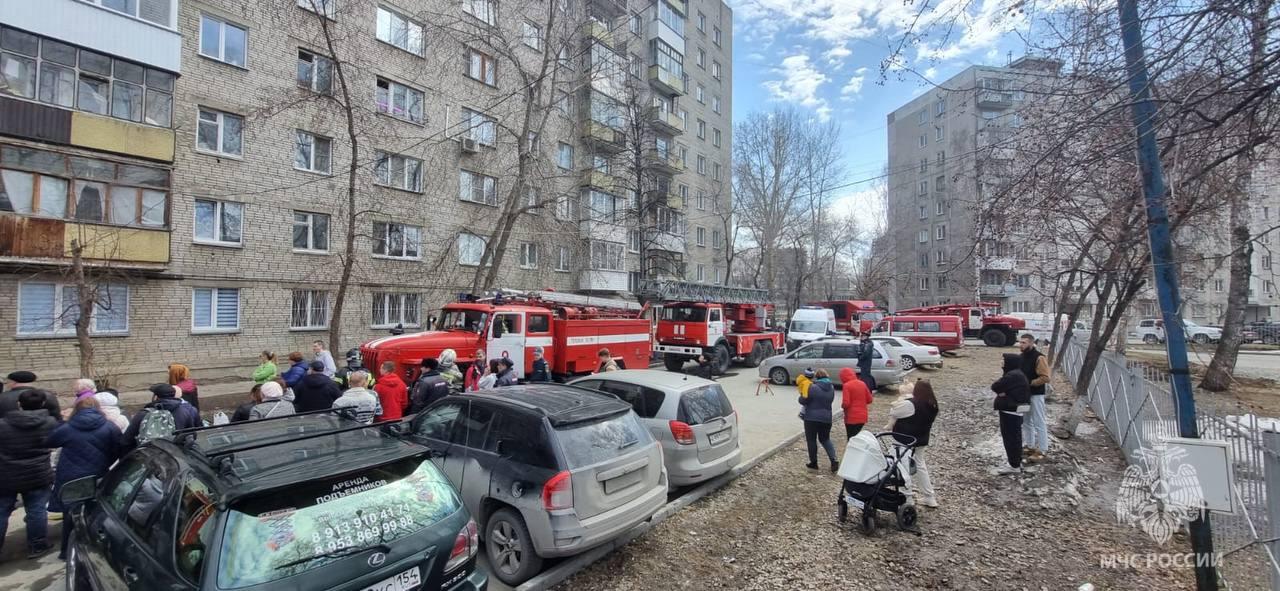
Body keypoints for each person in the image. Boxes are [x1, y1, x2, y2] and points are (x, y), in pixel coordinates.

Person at [46, 397, 121, 559]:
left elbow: (50, 441)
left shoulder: (68, 428)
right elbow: (118, 449)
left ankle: (66, 551)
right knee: (96, 510)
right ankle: (97, 550)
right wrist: (105, 463)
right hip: (98, 473)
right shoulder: (109, 427)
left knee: (71, 514)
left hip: (71, 475)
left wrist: (62, 421)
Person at [0, 390, 58, 558]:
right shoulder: (49, 422)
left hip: (6, 475)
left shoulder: (2, 424)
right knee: (37, 510)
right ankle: (38, 546)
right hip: (38, 473)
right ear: (42, 404)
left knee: (2, 511)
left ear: (19, 404)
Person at [886, 380, 940, 507]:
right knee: (920, 466)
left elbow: (894, 411)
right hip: (921, 440)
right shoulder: (933, 404)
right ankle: (929, 497)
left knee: (903, 467)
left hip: (904, 439)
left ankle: (907, 497)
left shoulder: (911, 404)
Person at [122, 384, 201, 450]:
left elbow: (126, 441)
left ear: (156, 397)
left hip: (149, 457)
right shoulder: (185, 411)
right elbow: (193, 434)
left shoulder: (144, 414)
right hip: (176, 456)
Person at [992, 353, 1032, 475]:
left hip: (1011, 412)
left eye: (1004, 361)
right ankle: (1015, 462)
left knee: (1011, 439)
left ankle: (1014, 465)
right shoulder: (1016, 374)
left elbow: (995, 386)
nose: (1002, 363)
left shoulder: (1013, 375)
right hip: (1013, 411)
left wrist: (1003, 392)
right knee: (1014, 438)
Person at [1018, 334, 1051, 461]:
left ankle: (1042, 449)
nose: (1021, 345)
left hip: (1036, 395)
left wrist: (1029, 383)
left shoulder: (1039, 358)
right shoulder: (1021, 357)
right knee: (1026, 421)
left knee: (1039, 422)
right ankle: (1030, 446)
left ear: (1031, 343)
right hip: (1024, 395)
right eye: (1020, 342)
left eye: (1024, 342)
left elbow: (1045, 377)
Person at [798, 369, 839, 472]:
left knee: (811, 440)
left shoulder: (812, 387)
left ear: (816, 377)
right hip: (827, 418)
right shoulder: (831, 388)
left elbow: (803, 400)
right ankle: (834, 459)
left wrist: (801, 396)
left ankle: (814, 463)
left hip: (811, 418)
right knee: (825, 439)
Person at [839, 367, 874, 439]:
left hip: (851, 417)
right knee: (856, 437)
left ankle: (852, 450)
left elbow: (846, 403)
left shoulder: (847, 385)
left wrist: (842, 406)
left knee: (851, 438)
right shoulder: (862, 383)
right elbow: (870, 400)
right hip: (863, 417)